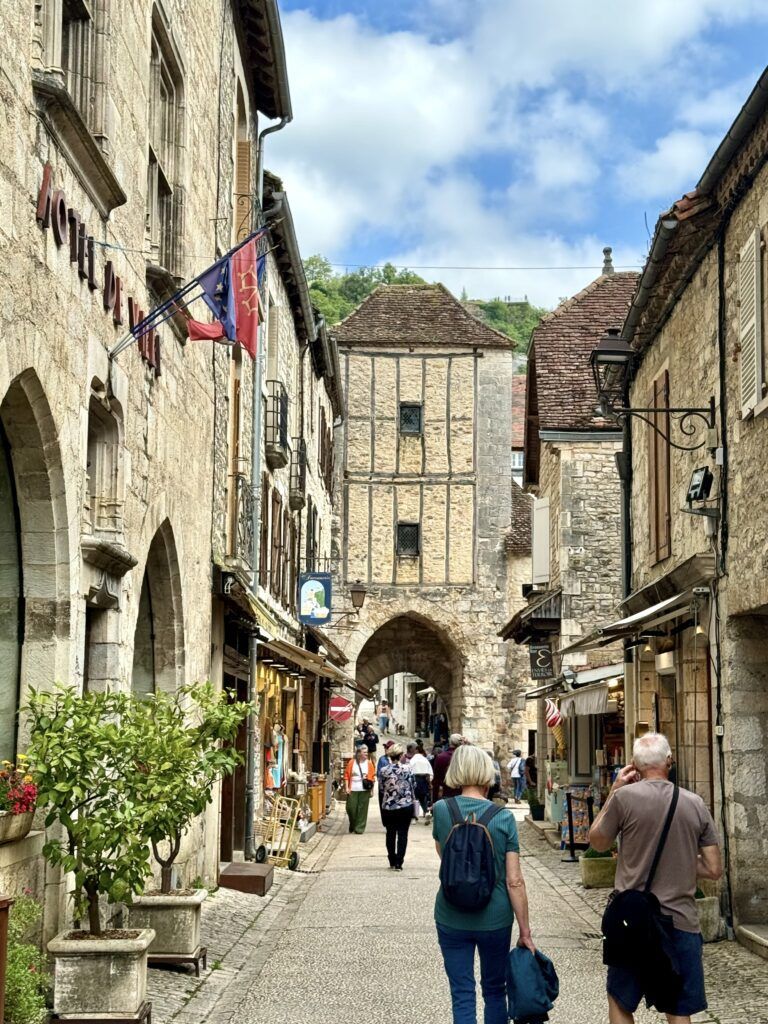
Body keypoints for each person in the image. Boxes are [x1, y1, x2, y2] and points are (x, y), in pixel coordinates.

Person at [588, 732, 722, 1024]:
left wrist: (614, 789)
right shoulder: (695, 803)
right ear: (669, 761)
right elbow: (713, 868)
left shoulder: (624, 799)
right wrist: (684, 861)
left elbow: (597, 841)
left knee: (621, 1001)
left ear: (634, 764)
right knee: (677, 1008)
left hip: (633, 921)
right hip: (681, 921)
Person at [433, 744, 535, 1024]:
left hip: (451, 914)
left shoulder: (442, 810)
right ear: (486, 773)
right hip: (495, 918)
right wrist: (525, 930)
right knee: (494, 991)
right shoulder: (503, 817)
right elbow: (514, 881)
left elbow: (444, 855)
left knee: (462, 992)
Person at [379, 743, 416, 870]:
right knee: (403, 834)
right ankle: (399, 862)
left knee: (390, 833)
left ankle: (392, 860)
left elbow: (382, 788)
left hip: (389, 806)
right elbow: (413, 785)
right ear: (401, 755)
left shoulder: (384, 771)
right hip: (406, 805)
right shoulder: (408, 769)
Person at [343, 746, 375, 834]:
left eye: (366, 752)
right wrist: (346, 787)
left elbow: (372, 778)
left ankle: (359, 828)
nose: (366, 754)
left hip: (364, 790)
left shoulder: (369, 764)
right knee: (350, 808)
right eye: (364, 752)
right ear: (359, 753)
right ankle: (353, 824)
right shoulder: (351, 762)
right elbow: (346, 776)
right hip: (352, 789)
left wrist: (372, 790)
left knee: (362, 810)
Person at [433, 733, 463, 804]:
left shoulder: (441, 757)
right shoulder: (464, 757)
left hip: (446, 793)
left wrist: (434, 800)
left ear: (450, 742)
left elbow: (436, 780)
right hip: (462, 793)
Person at [409, 743, 434, 820]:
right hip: (424, 780)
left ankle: (414, 817)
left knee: (414, 799)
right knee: (423, 798)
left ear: (416, 750)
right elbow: (430, 773)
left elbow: (409, 771)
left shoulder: (413, 760)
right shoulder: (425, 760)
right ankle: (426, 812)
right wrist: (429, 782)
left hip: (415, 779)